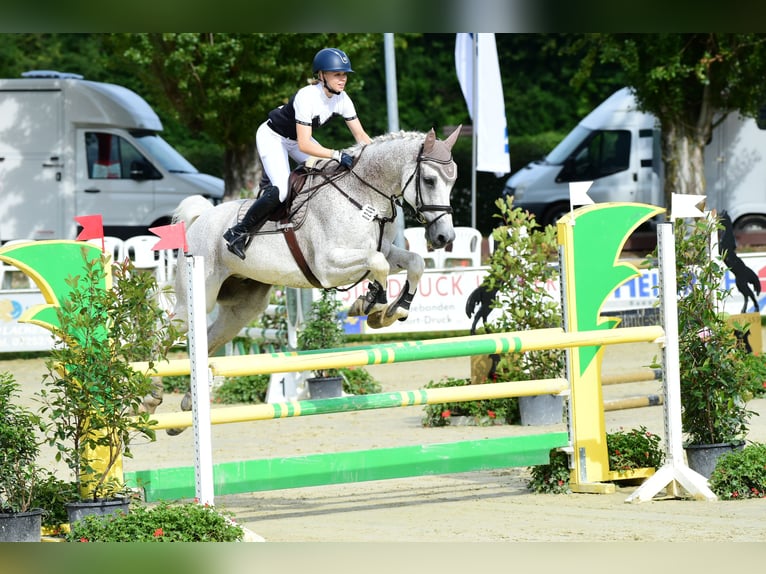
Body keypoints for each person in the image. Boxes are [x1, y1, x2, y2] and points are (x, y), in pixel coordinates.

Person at [223, 47, 372, 259]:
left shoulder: (342, 99)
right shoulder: (307, 96)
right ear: (321, 76)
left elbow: (360, 135)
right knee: (282, 189)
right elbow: (305, 145)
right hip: (272, 137)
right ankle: (238, 232)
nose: (343, 79)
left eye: (344, 74)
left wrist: (376, 155)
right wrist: (337, 154)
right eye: (337, 74)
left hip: (293, 140)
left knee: (331, 170)